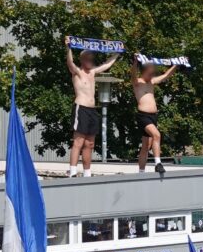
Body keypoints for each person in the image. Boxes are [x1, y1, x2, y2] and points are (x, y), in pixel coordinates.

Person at [64, 39, 119, 177]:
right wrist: (68, 48)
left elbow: (106, 65)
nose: (90, 60)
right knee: (79, 141)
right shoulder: (77, 72)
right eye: (87, 58)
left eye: (91, 58)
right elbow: (70, 63)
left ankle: (87, 173)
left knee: (90, 143)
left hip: (92, 110)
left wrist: (118, 53)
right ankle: (72, 172)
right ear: (82, 59)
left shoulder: (93, 72)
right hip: (81, 108)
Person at [132, 59, 178, 176]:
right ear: (145, 70)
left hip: (153, 116)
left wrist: (177, 64)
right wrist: (135, 63)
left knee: (146, 146)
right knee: (157, 135)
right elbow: (132, 73)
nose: (153, 74)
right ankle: (158, 163)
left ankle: (141, 171)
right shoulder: (137, 82)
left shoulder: (151, 82)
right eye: (151, 71)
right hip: (143, 116)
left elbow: (166, 75)